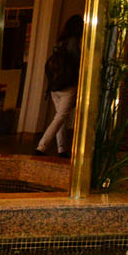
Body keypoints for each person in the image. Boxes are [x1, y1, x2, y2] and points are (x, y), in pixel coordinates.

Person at [35, 15, 83, 157]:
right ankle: (41, 147)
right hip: (68, 85)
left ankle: (62, 149)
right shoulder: (74, 42)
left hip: (55, 85)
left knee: (60, 116)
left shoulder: (60, 42)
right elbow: (77, 62)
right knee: (61, 116)